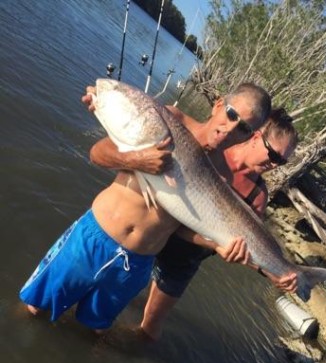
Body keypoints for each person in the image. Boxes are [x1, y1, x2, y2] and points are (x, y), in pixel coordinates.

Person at [19, 82, 271, 333]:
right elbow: (96, 154)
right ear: (218, 105)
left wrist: (217, 246)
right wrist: (137, 160)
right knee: (33, 309)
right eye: (231, 114)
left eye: (244, 128)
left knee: (92, 330)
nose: (231, 128)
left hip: (136, 264)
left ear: (250, 136)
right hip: (94, 239)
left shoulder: (222, 179)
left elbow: (182, 229)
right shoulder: (166, 118)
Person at [88, 99, 298, 339]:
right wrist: (105, 106)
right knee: (111, 296)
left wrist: (276, 273)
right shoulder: (214, 146)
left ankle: (122, 351)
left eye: (281, 161)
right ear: (255, 136)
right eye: (272, 153)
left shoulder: (258, 196)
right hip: (153, 235)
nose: (274, 163)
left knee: (151, 326)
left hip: (185, 258)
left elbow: (248, 247)